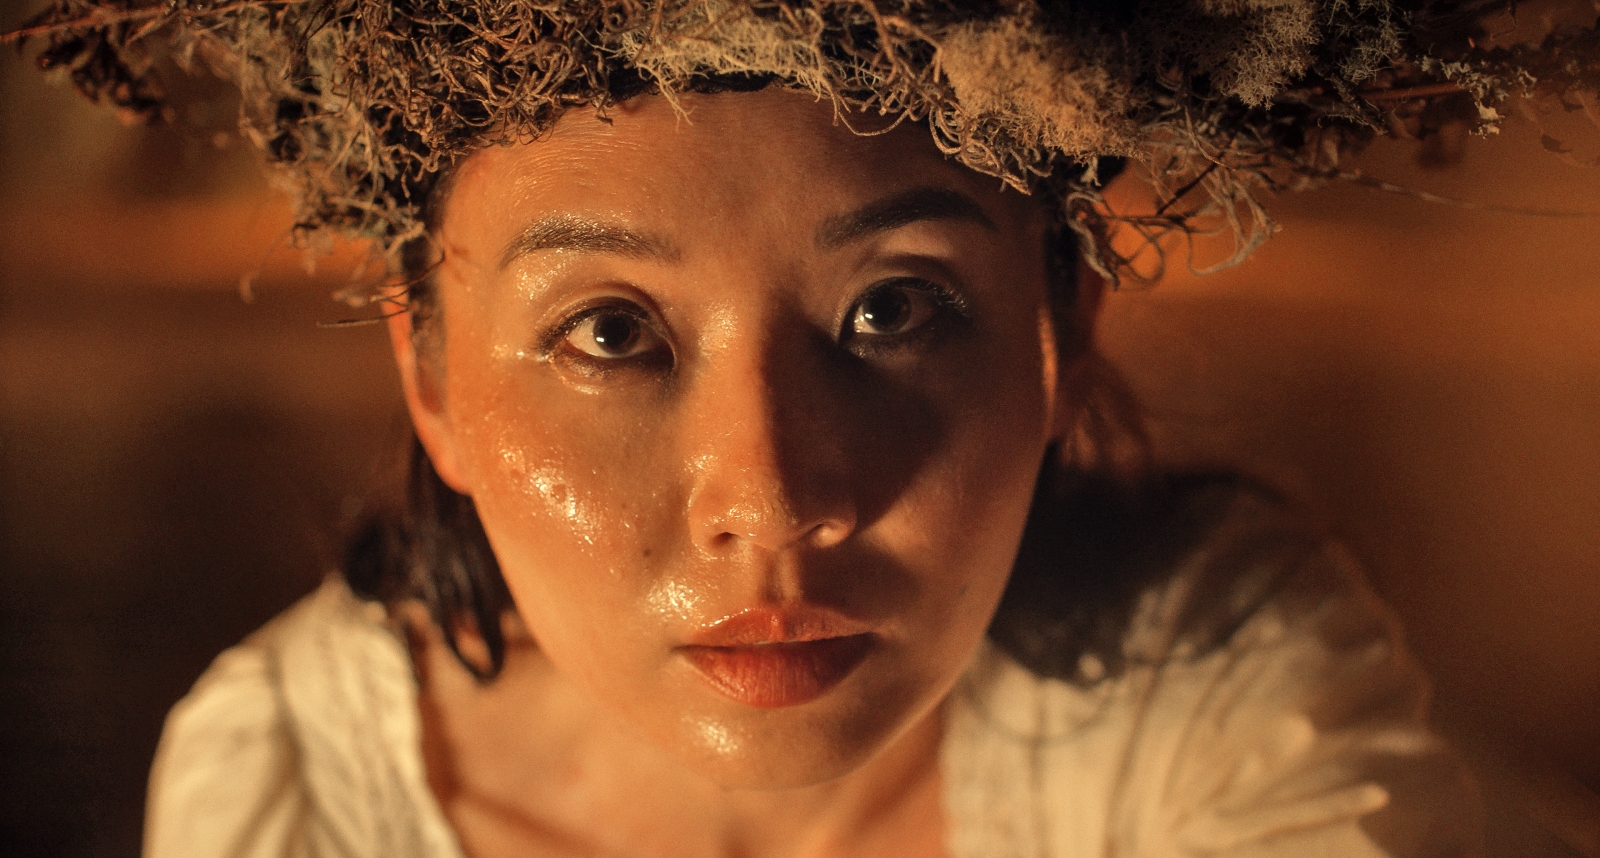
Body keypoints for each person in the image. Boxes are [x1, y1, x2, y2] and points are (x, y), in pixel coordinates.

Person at [12, 1, 1592, 856]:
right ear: (432, 380)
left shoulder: (1225, 702)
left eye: (893, 308)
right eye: (611, 332)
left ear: (1065, 327)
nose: (770, 500)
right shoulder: (293, 791)